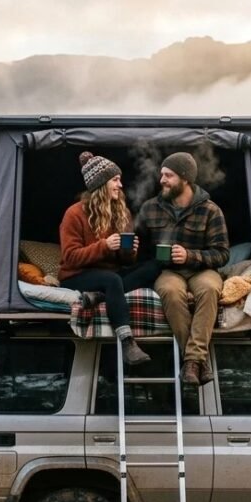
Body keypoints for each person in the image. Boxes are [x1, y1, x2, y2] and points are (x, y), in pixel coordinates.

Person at [58, 151, 161, 365]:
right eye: (115, 180)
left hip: (108, 274)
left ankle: (99, 296)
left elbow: (126, 262)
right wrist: (104, 246)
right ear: (101, 183)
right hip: (77, 274)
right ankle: (128, 343)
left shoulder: (121, 213)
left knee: (153, 266)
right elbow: (70, 258)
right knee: (112, 281)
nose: (120, 185)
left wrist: (128, 251)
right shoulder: (74, 214)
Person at [137, 152, 229, 385]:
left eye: (169, 175)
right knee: (169, 291)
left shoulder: (211, 210)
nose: (162, 180)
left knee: (209, 289)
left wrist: (190, 255)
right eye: (161, 175)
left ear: (185, 178)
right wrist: (129, 249)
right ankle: (198, 362)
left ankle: (191, 361)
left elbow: (222, 254)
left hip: (202, 270)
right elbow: (141, 251)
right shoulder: (150, 208)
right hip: (168, 271)